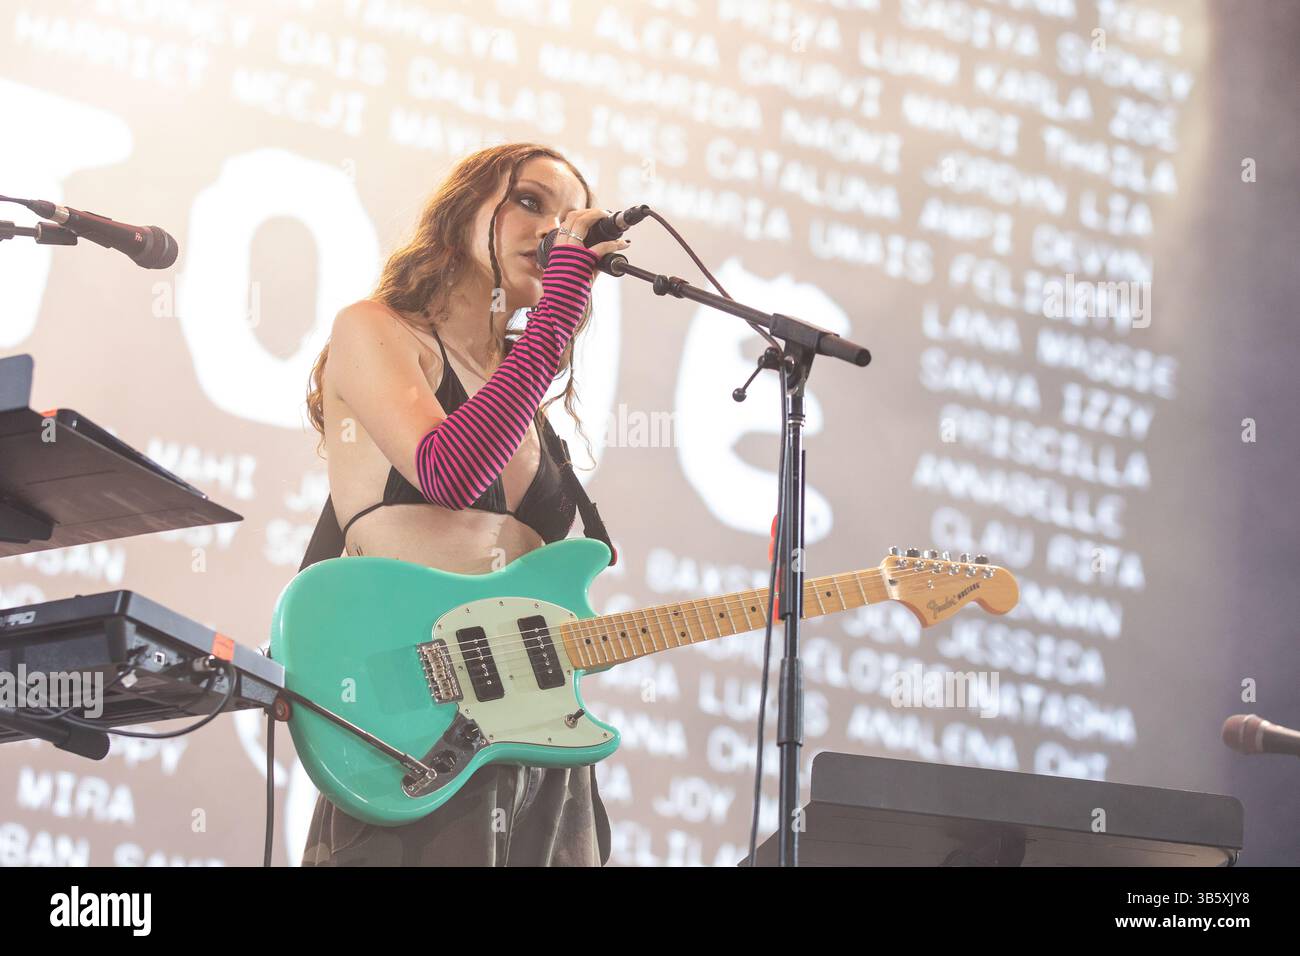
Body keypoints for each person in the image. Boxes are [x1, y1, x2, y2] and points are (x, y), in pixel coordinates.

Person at [300, 143, 629, 866]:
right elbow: (446, 470)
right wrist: (560, 313)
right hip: (418, 733)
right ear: (458, 215)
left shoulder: (531, 414)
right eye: (530, 202)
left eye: (569, 218)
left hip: (537, 738)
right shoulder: (376, 330)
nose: (552, 232)